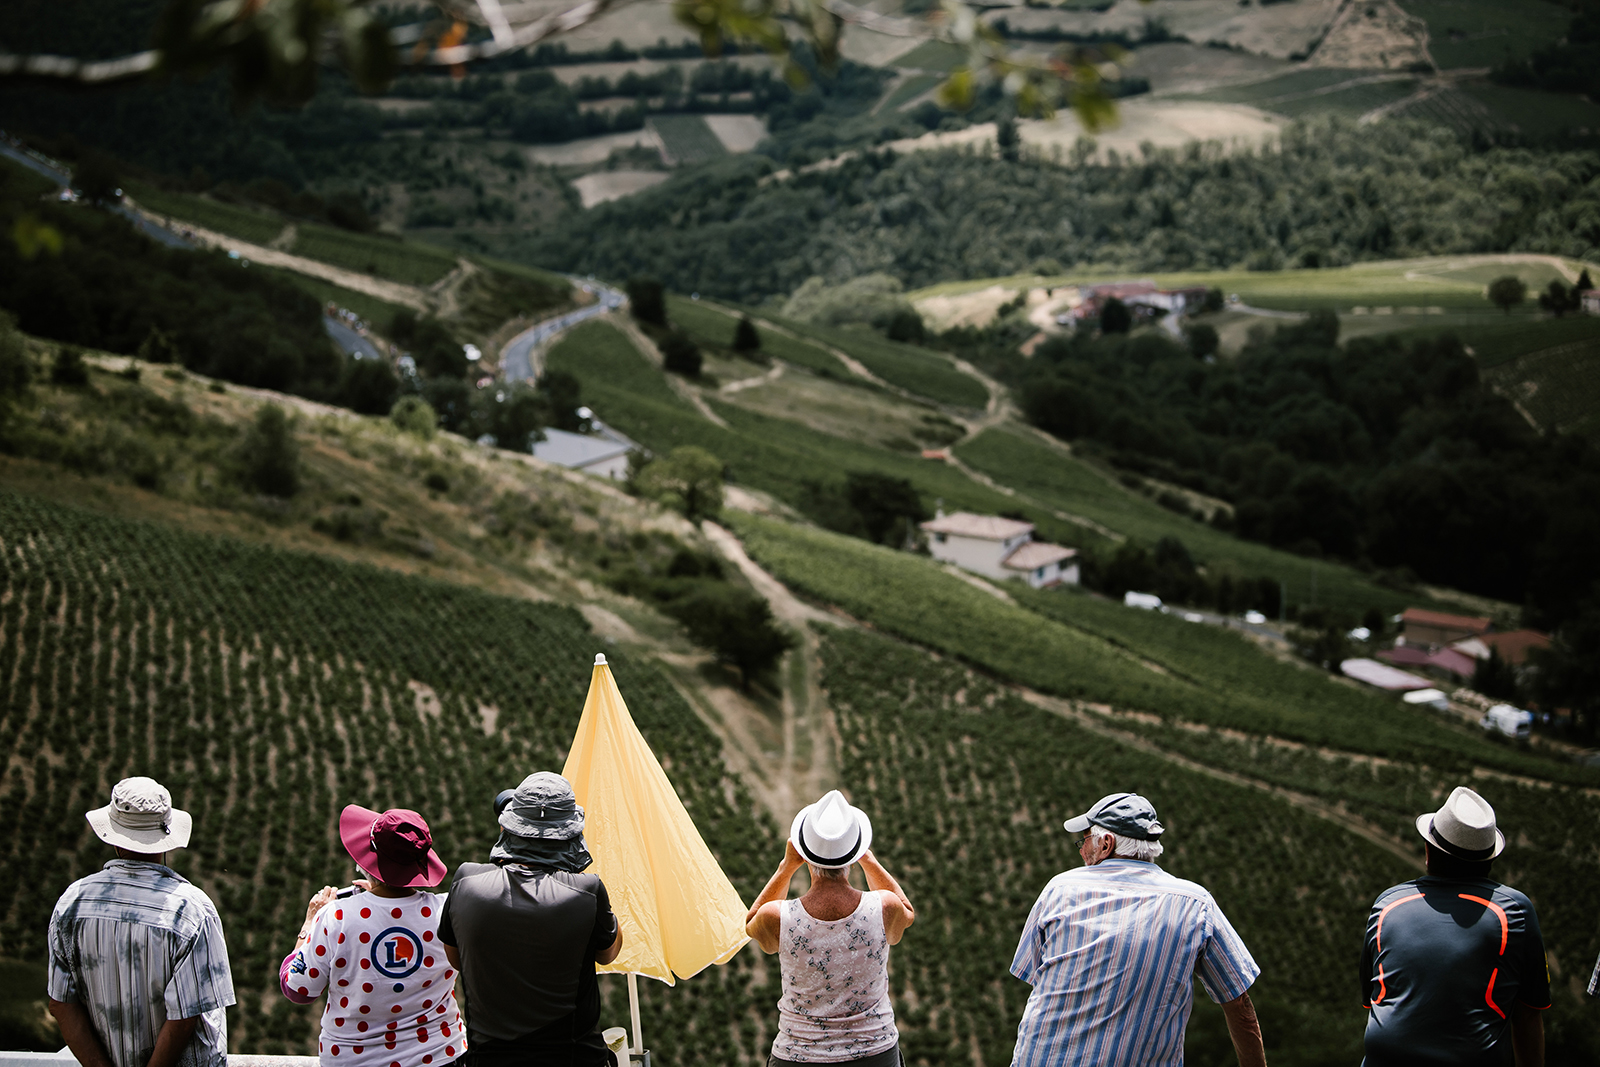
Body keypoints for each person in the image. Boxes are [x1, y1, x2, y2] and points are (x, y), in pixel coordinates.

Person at [1009, 791, 1265, 1067]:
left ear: (1106, 844)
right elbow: (1238, 1003)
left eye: (1084, 841)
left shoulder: (1060, 889)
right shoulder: (1196, 904)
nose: (1082, 851)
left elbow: (1036, 976)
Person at [47, 777, 235, 1067]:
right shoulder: (192, 910)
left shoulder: (71, 903)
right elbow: (185, 1016)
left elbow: (61, 1004)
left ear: (112, 835)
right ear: (165, 839)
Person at [438, 772, 623, 1067]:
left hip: (489, 1059)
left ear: (508, 828)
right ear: (570, 834)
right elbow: (609, 953)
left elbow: (458, 959)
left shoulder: (466, 881)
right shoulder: (587, 891)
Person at [1360, 786, 1549, 1067]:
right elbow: (1530, 1013)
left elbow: (1373, 999)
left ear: (1428, 851)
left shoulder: (1387, 904)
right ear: (1490, 860)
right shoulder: (1514, 911)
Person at [280, 805, 465, 1067]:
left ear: (368, 859)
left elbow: (299, 989)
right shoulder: (448, 911)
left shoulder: (336, 916)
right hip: (440, 1056)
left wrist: (309, 925)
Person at [745, 790, 915, 1067]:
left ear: (803, 851)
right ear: (855, 851)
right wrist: (868, 859)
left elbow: (751, 923)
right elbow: (907, 911)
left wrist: (786, 867)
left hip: (799, 1056)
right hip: (875, 1054)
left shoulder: (778, 917)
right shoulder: (884, 908)